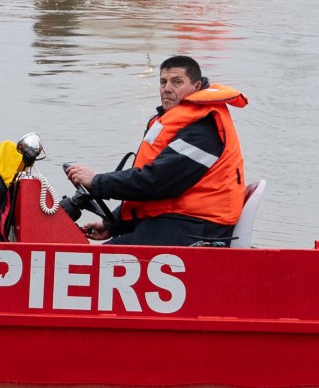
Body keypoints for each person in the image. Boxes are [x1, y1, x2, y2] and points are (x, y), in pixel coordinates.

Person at [63, 55, 248, 246]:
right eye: (163, 82)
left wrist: (96, 182)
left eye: (177, 82)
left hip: (199, 228)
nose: (167, 88)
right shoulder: (180, 120)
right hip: (179, 222)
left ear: (197, 86)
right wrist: (114, 224)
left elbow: (157, 181)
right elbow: (156, 188)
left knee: (102, 258)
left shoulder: (204, 128)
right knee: (99, 254)